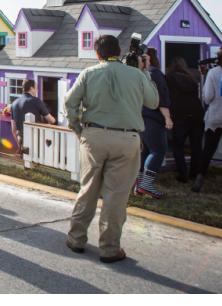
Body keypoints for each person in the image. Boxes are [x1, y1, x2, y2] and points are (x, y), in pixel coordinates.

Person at [64, 35, 159, 263]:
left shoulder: (89, 73)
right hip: (127, 139)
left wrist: (78, 128)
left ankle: (76, 239)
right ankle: (109, 248)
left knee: (88, 190)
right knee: (116, 197)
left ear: (97, 54)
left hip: (94, 135)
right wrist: (143, 71)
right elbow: (153, 102)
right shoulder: (137, 74)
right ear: (118, 51)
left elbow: (69, 102)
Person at [192, 46, 222, 193]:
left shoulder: (213, 72)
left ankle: (199, 180)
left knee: (208, 149)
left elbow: (208, 96)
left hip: (216, 114)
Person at [136, 48, 172, 198]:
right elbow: (160, 97)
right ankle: (146, 185)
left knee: (145, 151)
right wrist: (167, 117)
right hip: (152, 116)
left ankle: (139, 185)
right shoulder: (155, 74)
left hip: (140, 117)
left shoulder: (136, 75)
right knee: (159, 150)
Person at [165, 57, 203, 184]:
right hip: (197, 114)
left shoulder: (170, 78)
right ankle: (195, 173)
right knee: (196, 146)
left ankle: (183, 175)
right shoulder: (191, 79)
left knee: (177, 145)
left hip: (180, 115)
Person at [11, 79, 55, 149]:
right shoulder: (36, 101)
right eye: (36, 88)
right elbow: (51, 120)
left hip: (23, 143)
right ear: (31, 88)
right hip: (36, 141)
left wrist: (19, 146)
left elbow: (13, 129)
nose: (37, 91)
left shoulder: (14, 103)